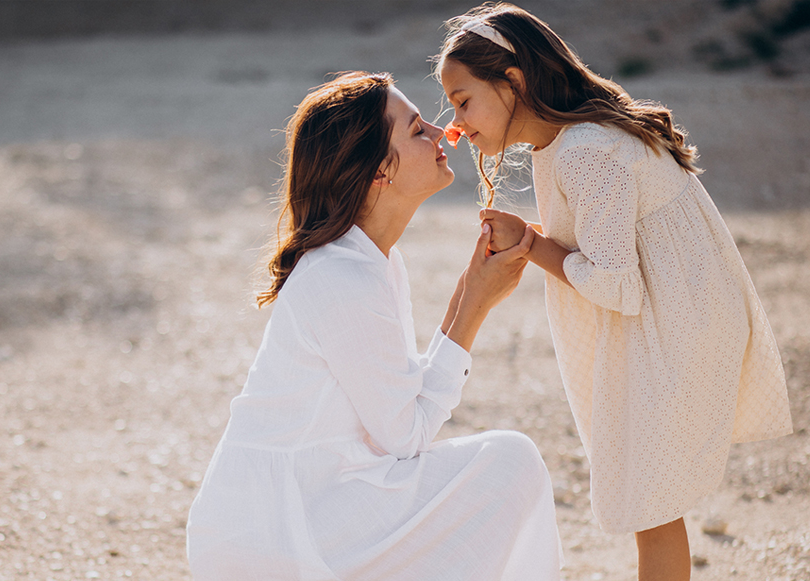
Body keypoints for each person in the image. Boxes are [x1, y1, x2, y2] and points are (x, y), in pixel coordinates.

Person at [433, 4, 793, 580]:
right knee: (649, 504)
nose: (455, 123)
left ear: (514, 82)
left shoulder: (585, 151)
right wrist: (534, 239)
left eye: (462, 100)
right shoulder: (564, 144)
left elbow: (615, 282)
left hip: (675, 327)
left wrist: (529, 241)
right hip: (668, 317)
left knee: (650, 506)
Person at [185, 71, 562, 580]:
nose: (440, 131)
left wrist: (470, 292)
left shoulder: (371, 262)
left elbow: (399, 415)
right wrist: (474, 305)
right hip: (276, 529)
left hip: (314, 506)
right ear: (378, 172)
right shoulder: (342, 275)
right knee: (509, 462)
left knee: (489, 469)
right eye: (415, 130)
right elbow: (405, 440)